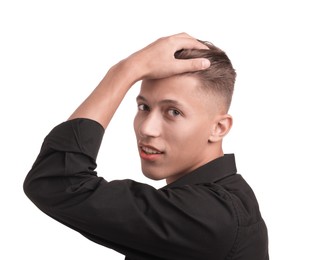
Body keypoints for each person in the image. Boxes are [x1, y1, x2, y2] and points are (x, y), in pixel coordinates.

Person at [23, 32, 269, 260]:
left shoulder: (210, 216)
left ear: (219, 128)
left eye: (173, 112)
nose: (146, 128)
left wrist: (126, 70)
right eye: (144, 107)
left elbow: (57, 182)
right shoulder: (215, 201)